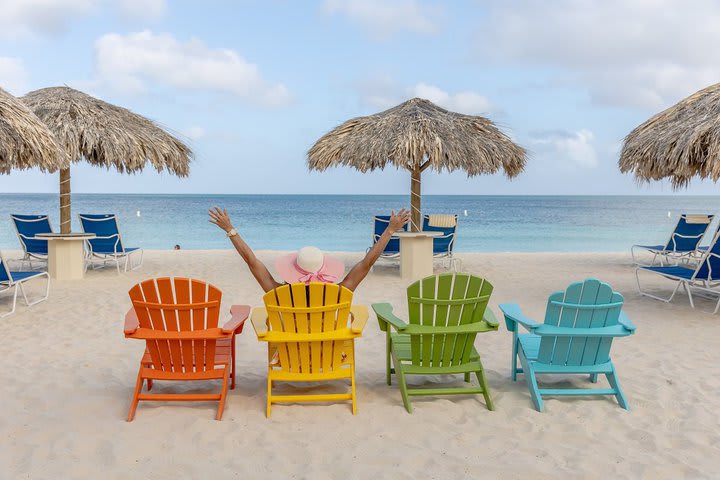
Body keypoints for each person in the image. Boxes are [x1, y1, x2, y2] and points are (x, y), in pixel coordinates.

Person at [208, 207, 410, 292]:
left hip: (293, 356)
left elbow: (251, 261)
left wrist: (230, 230)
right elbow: (367, 264)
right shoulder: (339, 292)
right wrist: (390, 229)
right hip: (328, 355)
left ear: (293, 270)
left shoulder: (279, 292)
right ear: (324, 270)